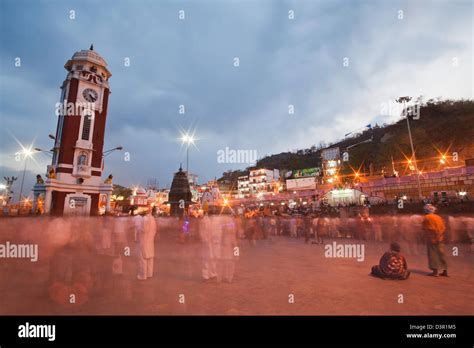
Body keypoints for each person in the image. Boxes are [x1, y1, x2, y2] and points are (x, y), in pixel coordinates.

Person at [422, 204, 448, 277]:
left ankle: (435, 272)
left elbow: (426, 229)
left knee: (433, 254)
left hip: (432, 238)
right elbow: (443, 228)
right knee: (441, 254)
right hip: (440, 238)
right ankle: (445, 271)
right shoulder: (438, 217)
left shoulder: (427, 217)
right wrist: (439, 236)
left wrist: (432, 238)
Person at [135, 214, 156, 280]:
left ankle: (143, 275)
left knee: (143, 258)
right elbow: (155, 230)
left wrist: (138, 230)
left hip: (144, 240)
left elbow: (144, 229)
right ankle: (149, 273)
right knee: (150, 257)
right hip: (151, 240)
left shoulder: (145, 219)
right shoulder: (153, 219)